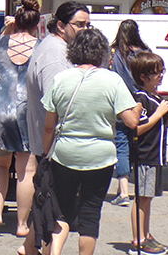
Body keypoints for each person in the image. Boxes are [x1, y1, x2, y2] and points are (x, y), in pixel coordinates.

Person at [41, 28, 142, 255]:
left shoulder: (61, 79)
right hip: (100, 156)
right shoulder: (112, 81)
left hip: (64, 154)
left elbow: (49, 125)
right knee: (90, 213)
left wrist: (46, 152)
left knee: (61, 210)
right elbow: (131, 121)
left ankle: (53, 252)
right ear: (102, 52)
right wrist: (137, 106)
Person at [21, 1, 90, 255]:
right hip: (54, 143)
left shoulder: (56, 48)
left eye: (88, 25)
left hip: (50, 141)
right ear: (61, 25)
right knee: (58, 206)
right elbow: (57, 100)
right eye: (79, 25)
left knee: (49, 199)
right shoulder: (55, 54)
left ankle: (28, 246)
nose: (85, 30)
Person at [0, 0, 39, 237]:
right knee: (27, 171)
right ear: (36, 24)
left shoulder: (1, 42)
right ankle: (22, 224)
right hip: (26, 112)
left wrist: (7, 28)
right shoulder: (41, 45)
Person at [127, 51, 168, 255]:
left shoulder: (156, 98)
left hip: (156, 156)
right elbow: (137, 128)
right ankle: (138, 238)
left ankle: (146, 234)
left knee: (148, 197)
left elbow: (159, 127)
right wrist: (159, 114)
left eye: (162, 71)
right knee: (141, 197)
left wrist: (167, 114)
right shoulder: (140, 99)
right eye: (157, 73)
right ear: (143, 77)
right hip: (145, 157)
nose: (161, 75)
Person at [110, 19, 150, 207]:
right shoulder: (145, 53)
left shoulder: (117, 53)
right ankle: (142, 187)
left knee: (122, 143)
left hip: (121, 102)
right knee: (141, 142)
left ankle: (123, 191)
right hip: (142, 101)